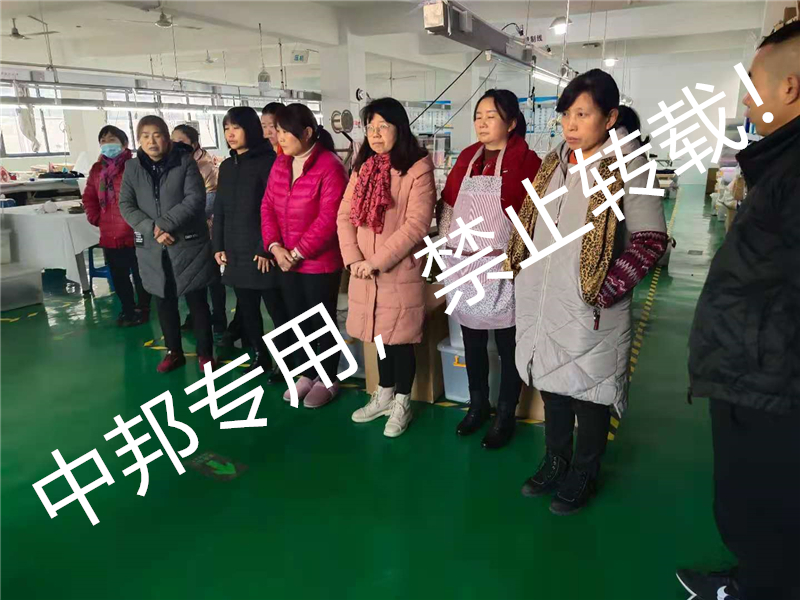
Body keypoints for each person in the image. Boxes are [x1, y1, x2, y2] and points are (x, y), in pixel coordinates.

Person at [506, 69, 667, 514]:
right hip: (544, 299)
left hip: (592, 306)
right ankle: (555, 460)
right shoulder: (554, 164)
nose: (571, 125)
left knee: (591, 394)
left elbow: (650, 240)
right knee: (553, 387)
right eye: (566, 115)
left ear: (610, 117)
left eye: (583, 114)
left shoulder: (631, 166)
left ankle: (585, 471)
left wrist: (605, 288)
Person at [678, 19, 800, 600]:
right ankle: (753, 580)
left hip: (773, 384)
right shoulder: (779, 164)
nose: (746, 98)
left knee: (766, 512)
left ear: (789, 87)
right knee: (755, 510)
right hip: (755, 374)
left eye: (753, 82)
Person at [439, 89, 542, 449]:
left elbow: (535, 218)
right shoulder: (468, 157)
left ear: (511, 122)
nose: (482, 123)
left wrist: (521, 260)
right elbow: (448, 206)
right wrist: (446, 250)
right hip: (465, 266)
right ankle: (477, 404)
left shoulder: (527, 162)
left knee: (509, 345)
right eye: (478, 116)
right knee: (472, 341)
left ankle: (505, 413)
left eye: (491, 116)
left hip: (505, 266)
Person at [337, 97, 436, 437]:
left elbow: (416, 224)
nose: (376, 134)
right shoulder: (363, 168)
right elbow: (345, 216)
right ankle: (384, 393)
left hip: (397, 270)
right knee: (379, 338)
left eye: (383, 126)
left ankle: (402, 402)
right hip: (363, 272)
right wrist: (353, 259)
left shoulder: (418, 169)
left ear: (400, 128)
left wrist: (376, 262)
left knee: (400, 340)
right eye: (371, 127)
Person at [261, 103, 348, 408]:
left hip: (319, 262)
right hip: (285, 259)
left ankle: (328, 377)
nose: (279, 138)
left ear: (307, 132)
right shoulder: (281, 164)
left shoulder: (330, 166)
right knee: (297, 320)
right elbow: (268, 206)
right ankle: (306, 374)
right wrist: (275, 247)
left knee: (321, 322)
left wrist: (297, 252)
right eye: (278, 131)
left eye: (285, 132)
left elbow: (329, 218)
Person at [119, 115, 217, 373]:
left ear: (167, 138)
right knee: (164, 301)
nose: (152, 141)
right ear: (138, 140)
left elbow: (195, 199)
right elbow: (126, 205)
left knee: (197, 302)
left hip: (187, 245)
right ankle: (174, 353)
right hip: (153, 247)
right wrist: (152, 229)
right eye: (145, 136)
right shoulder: (132, 168)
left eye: (157, 135)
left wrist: (164, 224)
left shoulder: (184, 162)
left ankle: (205, 354)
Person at [213, 106, 286, 379]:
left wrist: (265, 247)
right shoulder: (226, 166)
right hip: (235, 251)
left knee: (277, 311)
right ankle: (260, 355)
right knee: (247, 309)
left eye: (236, 128)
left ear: (251, 129)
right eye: (226, 129)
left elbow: (276, 209)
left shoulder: (269, 162)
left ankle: (286, 360)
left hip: (261, 252)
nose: (230, 134)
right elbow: (219, 208)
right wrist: (218, 245)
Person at [83, 125, 151, 326]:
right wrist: (96, 218)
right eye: (103, 141)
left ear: (125, 143)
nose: (107, 145)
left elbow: (145, 197)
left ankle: (144, 308)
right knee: (119, 275)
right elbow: (89, 197)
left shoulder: (135, 166)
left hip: (135, 230)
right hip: (110, 233)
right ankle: (127, 309)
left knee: (141, 273)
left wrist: (141, 222)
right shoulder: (97, 170)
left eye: (112, 140)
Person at [170, 124, 227, 340]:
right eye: (173, 141)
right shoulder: (175, 164)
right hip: (184, 234)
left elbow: (211, 202)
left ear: (194, 144)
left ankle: (219, 319)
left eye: (181, 142)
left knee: (212, 279)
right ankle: (194, 316)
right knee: (190, 277)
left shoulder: (206, 166)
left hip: (206, 232)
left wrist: (183, 218)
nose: (176, 145)